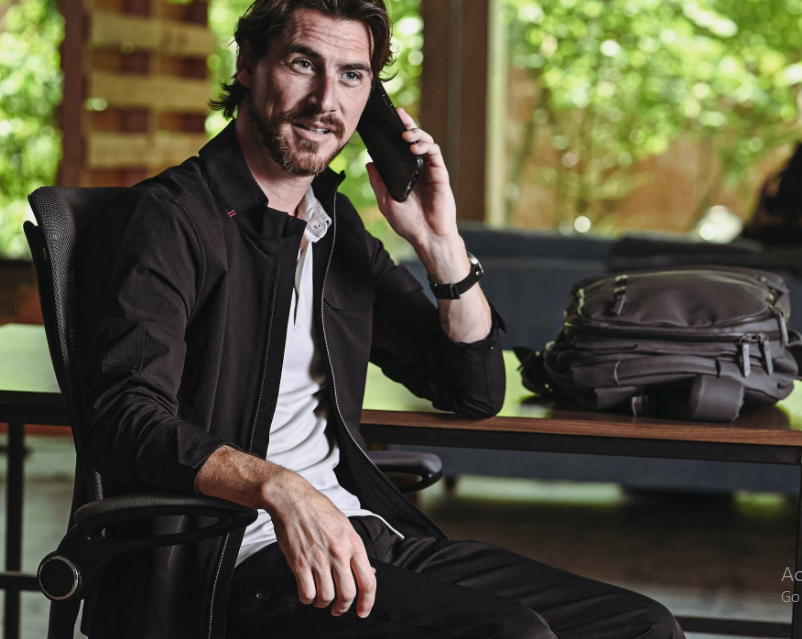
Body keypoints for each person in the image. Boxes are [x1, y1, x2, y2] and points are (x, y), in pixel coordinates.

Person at [77, 1, 686, 637]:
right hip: (227, 556)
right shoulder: (168, 221)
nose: (325, 101)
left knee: (641, 626)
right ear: (249, 67)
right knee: (509, 634)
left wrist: (440, 245)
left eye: (352, 75)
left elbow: (471, 390)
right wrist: (279, 487)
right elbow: (122, 419)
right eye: (302, 63)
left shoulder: (333, 230)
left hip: (359, 536)